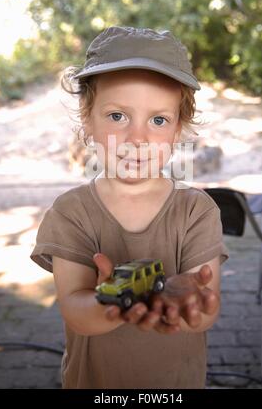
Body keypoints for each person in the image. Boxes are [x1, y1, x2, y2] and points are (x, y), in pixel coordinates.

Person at [30, 26, 229, 389]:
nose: (137, 138)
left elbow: (200, 311)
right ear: (87, 119)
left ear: (179, 129)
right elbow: (76, 312)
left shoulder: (197, 212)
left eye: (158, 120)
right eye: (118, 116)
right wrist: (114, 301)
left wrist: (193, 305)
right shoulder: (70, 213)